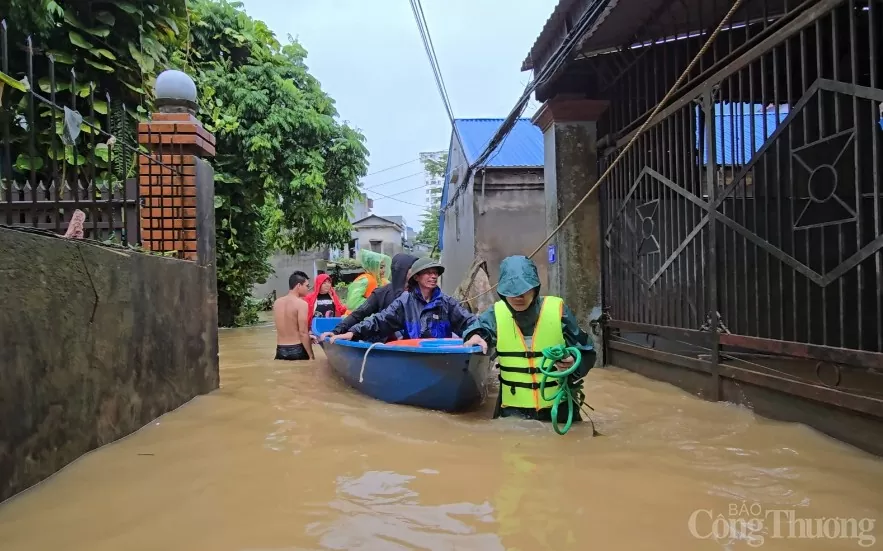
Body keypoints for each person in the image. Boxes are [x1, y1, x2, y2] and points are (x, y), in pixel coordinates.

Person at [462, 255, 595, 422]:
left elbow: (587, 352)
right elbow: (479, 329)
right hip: (513, 411)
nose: (519, 297)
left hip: (558, 410)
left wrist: (574, 360)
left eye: (525, 290)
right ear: (502, 292)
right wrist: (475, 336)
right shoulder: (495, 313)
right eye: (512, 291)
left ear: (535, 288)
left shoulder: (558, 310)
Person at [330, 257, 477, 343]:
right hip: (413, 355)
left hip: (442, 356)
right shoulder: (404, 301)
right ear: (416, 277)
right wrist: (353, 332)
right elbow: (380, 320)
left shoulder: (447, 302)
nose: (433, 276)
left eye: (435, 273)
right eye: (428, 273)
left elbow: (468, 321)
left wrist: (478, 334)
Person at [319, 253, 418, 342]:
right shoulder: (381, 293)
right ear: (402, 270)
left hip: (416, 340)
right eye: (414, 268)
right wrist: (337, 331)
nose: (418, 271)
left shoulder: (421, 292)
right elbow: (358, 314)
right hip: (386, 340)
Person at [272, 270, 314, 361]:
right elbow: (303, 332)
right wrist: (311, 355)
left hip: (280, 350)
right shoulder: (301, 304)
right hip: (297, 349)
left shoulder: (277, 303)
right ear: (299, 285)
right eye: (307, 286)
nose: (308, 288)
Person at [344, 249, 391, 315]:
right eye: (381, 267)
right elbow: (352, 303)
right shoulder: (364, 280)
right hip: (357, 319)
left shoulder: (384, 282)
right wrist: (373, 303)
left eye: (384, 267)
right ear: (373, 267)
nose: (384, 270)